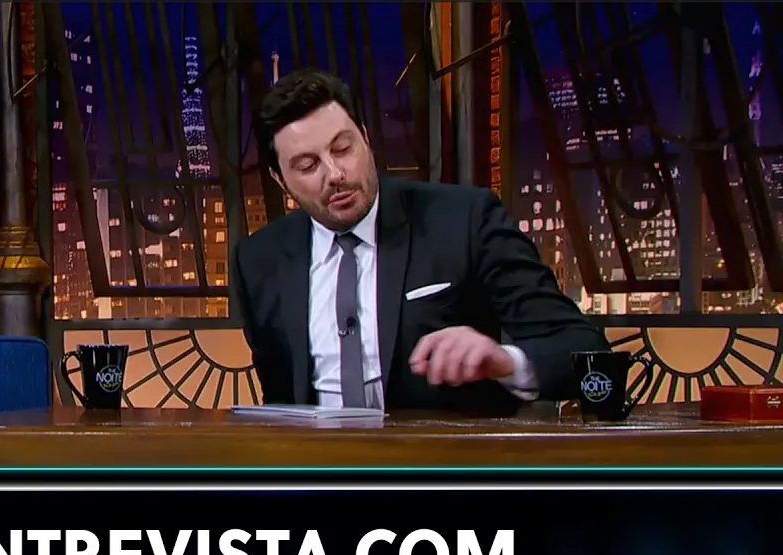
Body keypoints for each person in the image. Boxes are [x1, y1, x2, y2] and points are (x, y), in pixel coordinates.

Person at [231, 69, 609, 415]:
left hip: (441, 459)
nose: (335, 174)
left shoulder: (464, 220)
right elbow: (279, 404)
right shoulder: (259, 260)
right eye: (308, 166)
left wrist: (506, 361)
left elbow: (583, 348)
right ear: (280, 180)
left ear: (366, 138)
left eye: (343, 148)